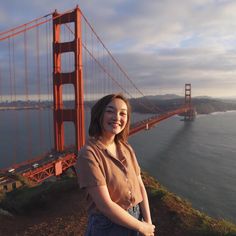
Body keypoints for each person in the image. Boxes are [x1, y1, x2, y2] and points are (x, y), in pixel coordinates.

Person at [77, 93, 156, 236]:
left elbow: (140, 186)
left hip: (137, 218)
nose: (117, 118)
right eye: (110, 111)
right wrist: (142, 227)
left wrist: (148, 222)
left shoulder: (126, 148)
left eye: (123, 114)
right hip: (108, 226)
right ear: (99, 114)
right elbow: (105, 206)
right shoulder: (88, 154)